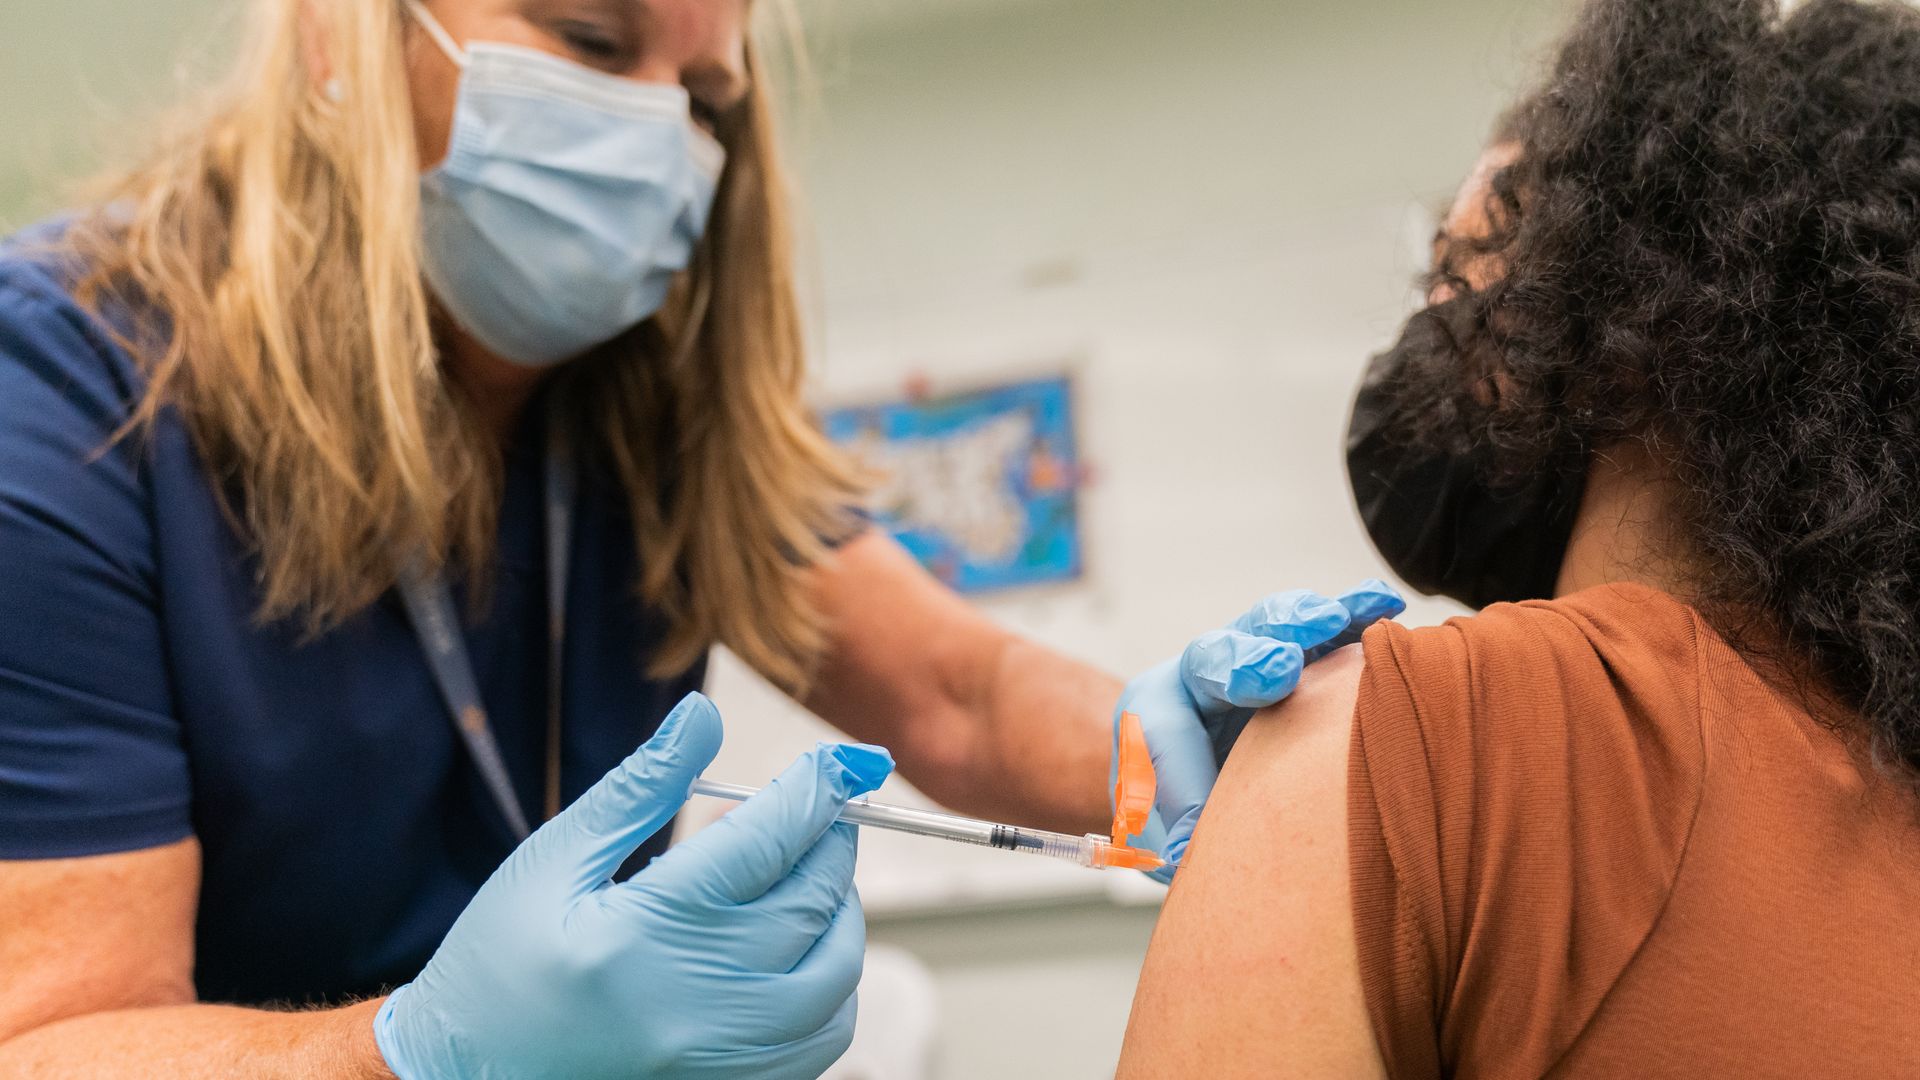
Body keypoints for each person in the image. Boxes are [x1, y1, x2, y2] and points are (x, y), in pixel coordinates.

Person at [0, 0, 1389, 1073]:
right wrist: (411, 1055)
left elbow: (956, 693)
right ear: (333, 34)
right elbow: (49, 1042)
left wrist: (1174, 744)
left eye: (707, 96)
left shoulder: (652, 406)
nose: (658, 132)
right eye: (589, 37)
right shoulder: (66, 398)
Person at [1116, 0, 1920, 1074]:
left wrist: (1322, 777)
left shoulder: (1389, 739)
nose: (1429, 329)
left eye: (1466, 268)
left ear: (1643, 290)